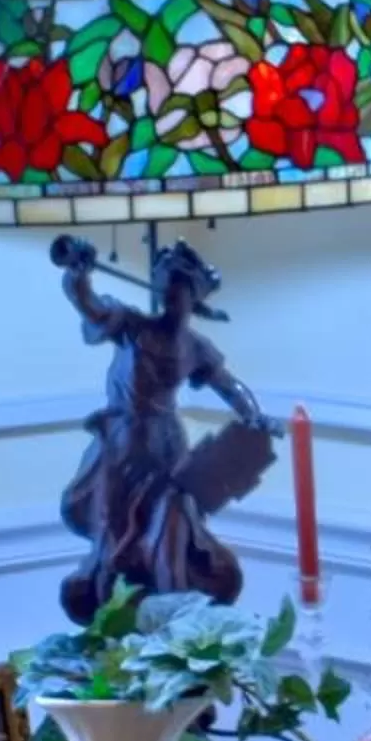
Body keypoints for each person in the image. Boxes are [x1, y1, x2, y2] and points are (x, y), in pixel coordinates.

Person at [51, 235, 276, 624]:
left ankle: (174, 613)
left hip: (167, 446)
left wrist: (255, 416)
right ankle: (111, 611)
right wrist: (79, 277)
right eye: (167, 285)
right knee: (114, 527)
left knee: (171, 523)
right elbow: (90, 307)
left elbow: (229, 385)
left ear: (193, 298)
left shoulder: (194, 346)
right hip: (122, 444)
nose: (172, 296)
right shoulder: (131, 326)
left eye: (181, 289)